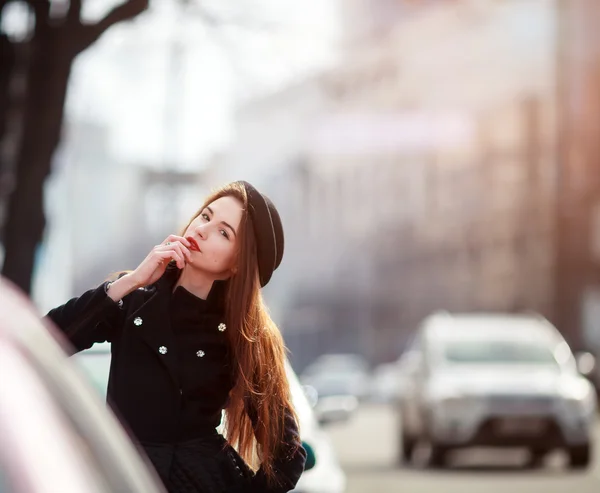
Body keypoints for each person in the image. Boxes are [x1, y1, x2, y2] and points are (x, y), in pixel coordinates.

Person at [45, 181, 307, 493]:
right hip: (123, 477)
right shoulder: (132, 299)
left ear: (238, 263)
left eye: (224, 233)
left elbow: (286, 456)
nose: (203, 230)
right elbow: (47, 341)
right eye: (206, 217)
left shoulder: (242, 337)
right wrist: (132, 281)